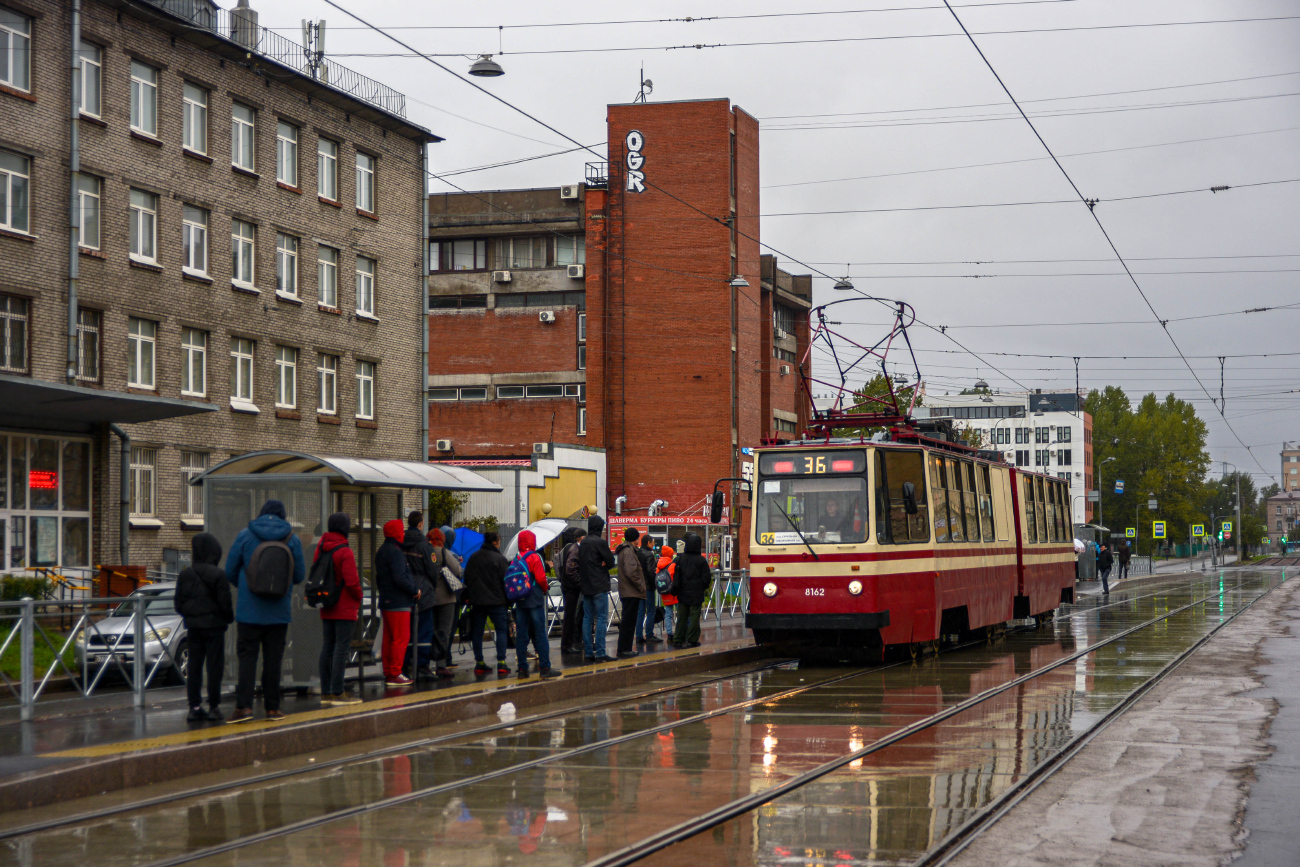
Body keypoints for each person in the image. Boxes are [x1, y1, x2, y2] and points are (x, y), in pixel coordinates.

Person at [225, 500, 306, 724]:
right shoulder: (292, 539)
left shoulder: (245, 535)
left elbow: (230, 570)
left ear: (260, 514)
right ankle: (272, 709)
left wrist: (246, 587)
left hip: (248, 612)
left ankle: (244, 708)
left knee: (247, 659)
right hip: (278, 612)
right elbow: (299, 575)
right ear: (283, 516)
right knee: (273, 661)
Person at [174, 532, 233, 722]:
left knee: (194, 667)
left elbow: (178, 604)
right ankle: (214, 707)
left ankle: (194, 707)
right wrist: (227, 619)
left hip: (193, 629)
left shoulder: (185, 574)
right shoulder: (219, 575)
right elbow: (225, 604)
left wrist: (191, 615)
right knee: (214, 668)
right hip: (215, 628)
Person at [316, 512, 363, 706]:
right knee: (341, 648)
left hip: (327, 605)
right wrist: (359, 595)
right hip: (344, 607)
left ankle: (326, 692)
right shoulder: (345, 551)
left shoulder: (321, 548)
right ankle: (338, 692)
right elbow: (352, 582)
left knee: (327, 646)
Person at [376, 518, 420, 687]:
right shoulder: (395, 552)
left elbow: (379, 578)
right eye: (401, 531)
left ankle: (389, 671)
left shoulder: (382, 551)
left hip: (386, 600)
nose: (403, 534)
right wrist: (414, 590)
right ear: (396, 533)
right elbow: (400, 577)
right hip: (399, 601)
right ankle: (395, 673)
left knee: (389, 638)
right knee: (400, 638)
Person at [513, 530, 559, 679]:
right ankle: (545, 667)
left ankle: (522, 669)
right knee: (540, 634)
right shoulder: (534, 556)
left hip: (520, 600)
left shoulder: (516, 557)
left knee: (521, 635)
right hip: (534, 599)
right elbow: (540, 578)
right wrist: (545, 589)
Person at [464, 530, 511, 676]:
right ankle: (501, 662)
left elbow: (467, 578)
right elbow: (506, 581)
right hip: (497, 601)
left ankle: (479, 662)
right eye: (499, 541)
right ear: (495, 542)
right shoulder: (500, 559)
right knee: (501, 630)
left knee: (477, 632)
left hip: (477, 601)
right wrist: (508, 600)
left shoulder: (473, 557)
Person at [403, 511, 442, 680]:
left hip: (404, 590)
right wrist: (430, 586)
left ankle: (406, 665)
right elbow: (433, 570)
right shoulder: (424, 545)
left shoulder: (401, 542)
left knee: (406, 631)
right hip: (423, 592)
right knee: (424, 631)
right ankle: (422, 666)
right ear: (420, 524)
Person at [577, 515, 617, 662]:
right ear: (600, 527)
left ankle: (588, 652)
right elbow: (611, 561)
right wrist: (604, 563)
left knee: (587, 618)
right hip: (599, 585)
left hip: (586, 586)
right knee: (601, 618)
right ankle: (600, 652)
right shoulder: (600, 542)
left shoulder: (583, 542)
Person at [427, 527, 462, 678]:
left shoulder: (425, 550)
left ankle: (425, 664)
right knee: (444, 632)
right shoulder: (442, 551)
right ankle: (441, 665)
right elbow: (458, 571)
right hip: (446, 598)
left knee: (430, 631)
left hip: (428, 597)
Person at [670, 533, 711, 649]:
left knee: (682, 617)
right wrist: (702, 586)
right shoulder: (701, 560)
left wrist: (676, 589)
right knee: (694, 618)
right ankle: (692, 640)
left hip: (683, 593)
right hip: (696, 593)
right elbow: (706, 578)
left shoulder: (681, 559)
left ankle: (678, 639)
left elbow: (677, 576)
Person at [614, 528, 647, 659]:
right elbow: (631, 571)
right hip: (631, 591)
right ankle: (624, 649)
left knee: (628, 621)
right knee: (628, 622)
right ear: (635, 539)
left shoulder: (626, 550)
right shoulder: (628, 551)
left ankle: (625, 648)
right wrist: (640, 585)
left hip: (628, 591)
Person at [557, 528, 586, 654]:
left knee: (570, 617)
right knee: (570, 617)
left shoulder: (572, 548)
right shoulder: (575, 550)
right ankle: (567, 645)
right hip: (571, 589)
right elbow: (570, 570)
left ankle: (568, 644)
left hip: (569, 587)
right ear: (581, 538)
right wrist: (580, 583)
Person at [635, 534, 661, 645]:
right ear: (648, 543)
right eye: (652, 542)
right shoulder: (649, 554)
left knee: (640, 612)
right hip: (648, 587)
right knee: (650, 611)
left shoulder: (638, 552)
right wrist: (654, 584)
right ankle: (649, 634)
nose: (653, 544)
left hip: (639, 586)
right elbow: (651, 572)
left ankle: (639, 635)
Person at [657, 544, 678, 639]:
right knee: (680, 613)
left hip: (664, 593)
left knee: (668, 614)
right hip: (674, 592)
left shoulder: (659, 566)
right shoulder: (673, 565)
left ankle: (669, 635)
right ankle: (680, 632)